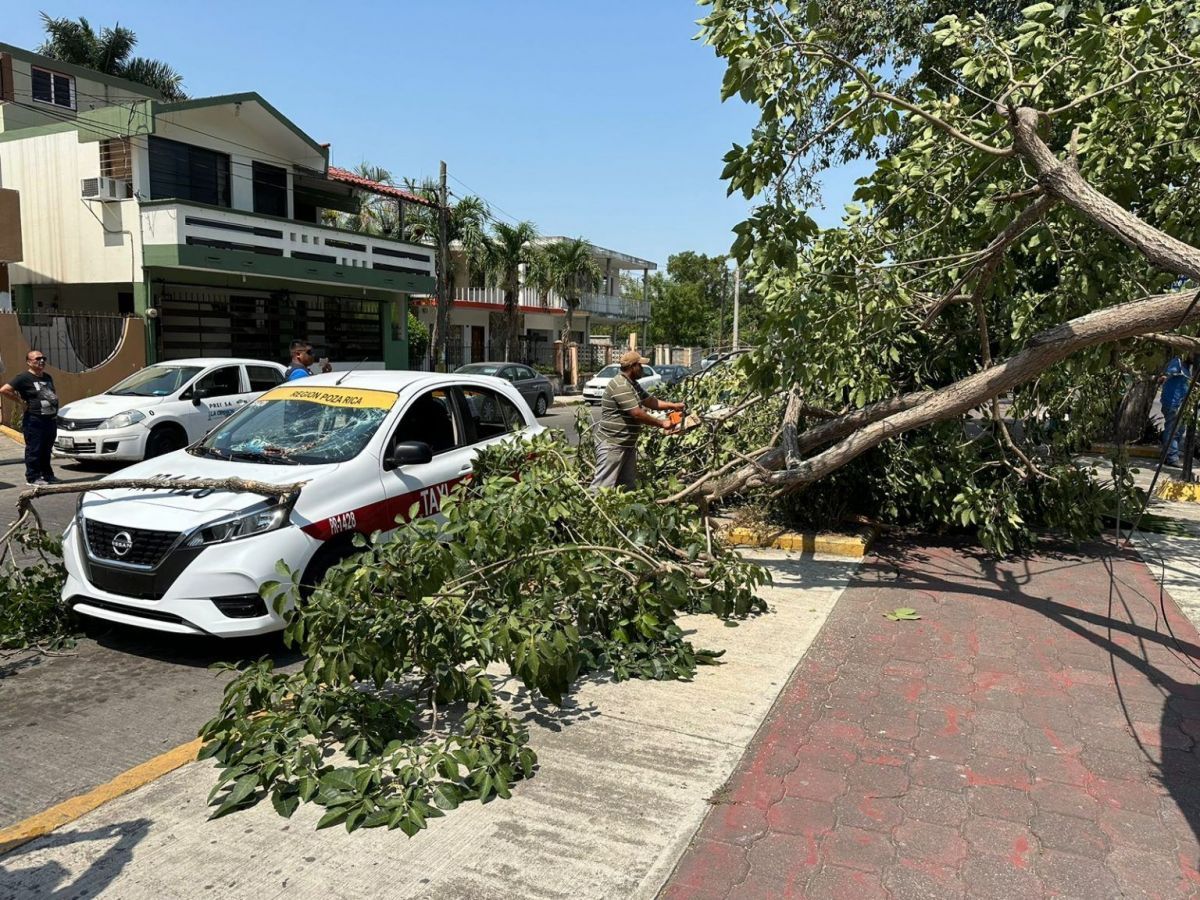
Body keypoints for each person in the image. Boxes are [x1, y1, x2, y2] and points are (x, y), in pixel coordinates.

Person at [591, 350, 685, 490]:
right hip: (612, 444)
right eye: (640, 366)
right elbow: (636, 413)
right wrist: (662, 423)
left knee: (627, 487)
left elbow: (650, 401)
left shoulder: (632, 383)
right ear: (632, 366)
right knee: (602, 488)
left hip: (626, 444)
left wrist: (674, 405)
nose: (642, 369)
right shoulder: (620, 385)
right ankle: (595, 511)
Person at [0, 349, 60, 485]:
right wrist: (20, 401)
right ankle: (33, 477)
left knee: (46, 449)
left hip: (49, 419)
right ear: (29, 362)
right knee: (34, 449)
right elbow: (4, 390)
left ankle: (47, 475)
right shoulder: (23, 377)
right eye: (37, 359)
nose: (42, 361)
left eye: (43, 358)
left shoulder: (47, 377)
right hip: (35, 420)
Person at [1159, 355, 1192, 466]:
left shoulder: (1190, 367)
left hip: (1182, 404)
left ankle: (1168, 454)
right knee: (1172, 430)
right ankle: (1171, 457)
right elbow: (1169, 374)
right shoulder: (1177, 362)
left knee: (1179, 430)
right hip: (1173, 403)